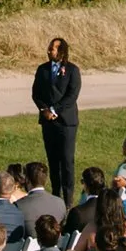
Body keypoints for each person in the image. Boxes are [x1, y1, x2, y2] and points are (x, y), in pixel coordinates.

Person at [32, 34, 81, 207]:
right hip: (48, 122)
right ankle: (55, 194)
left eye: (52, 48)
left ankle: (67, 200)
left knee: (66, 161)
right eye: (49, 47)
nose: (49, 50)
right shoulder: (42, 69)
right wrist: (44, 110)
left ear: (61, 51)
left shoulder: (72, 70)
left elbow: (72, 95)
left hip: (66, 122)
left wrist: (55, 110)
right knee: (52, 160)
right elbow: (36, 93)